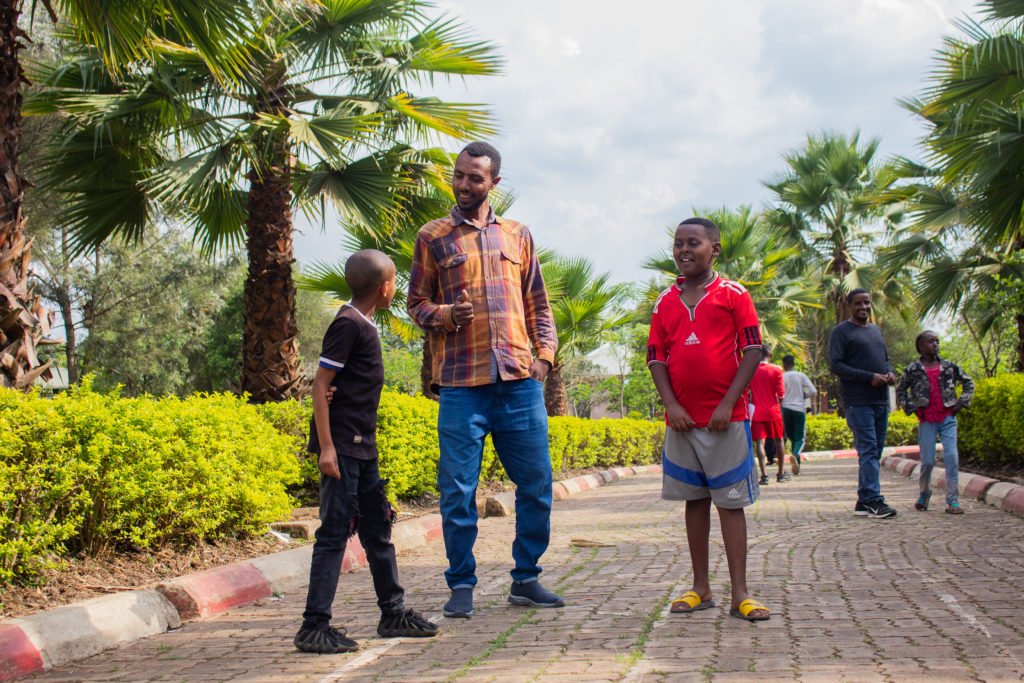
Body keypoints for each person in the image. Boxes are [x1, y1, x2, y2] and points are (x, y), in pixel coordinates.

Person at [407, 142, 562, 619]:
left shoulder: (517, 234)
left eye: (475, 178)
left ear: (494, 182)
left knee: (536, 485)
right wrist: (447, 315)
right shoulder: (433, 236)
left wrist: (544, 359)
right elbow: (415, 304)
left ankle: (526, 578)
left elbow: (538, 305)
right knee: (457, 491)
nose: (464, 184)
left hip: (518, 381)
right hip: (461, 385)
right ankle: (461, 584)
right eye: (459, 175)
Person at [294, 249, 438, 654]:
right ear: (385, 287)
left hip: (363, 448)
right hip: (342, 449)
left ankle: (393, 613)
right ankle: (313, 626)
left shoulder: (364, 325)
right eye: (394, 283)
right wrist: (326, 449)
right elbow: (320, 385)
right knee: (333, 535)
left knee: (378, 531)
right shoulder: (348, 324)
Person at [647, 216, 770, 622]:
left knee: (730, 505)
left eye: (693, 243)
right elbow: (656, 358)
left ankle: (741, 593)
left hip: (725, 420)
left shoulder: (734, 294)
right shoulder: (665, 301)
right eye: (678, 243)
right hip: (682, 423)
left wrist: (727, 404)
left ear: (714, 249)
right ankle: (701, 587)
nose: (684, 250)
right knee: (694, 502)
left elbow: (752, 350)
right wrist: (672, 406)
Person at [828, 289, 898, 520]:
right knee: (868, 449)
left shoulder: (876, 331)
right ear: (849, 306)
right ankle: (873, 500)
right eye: (858, 303)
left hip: (880, 400)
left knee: (875, 451)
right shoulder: (841, 332)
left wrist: (890, 374)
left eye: (867, 303)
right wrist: (869, 377)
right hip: (858, 402)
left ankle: (863, 501)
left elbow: (886, 360)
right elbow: (836, 366)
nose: (863, 307)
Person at [896, 331, 974, 515]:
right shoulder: (912, 369)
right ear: (920, 346)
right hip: (927, 420)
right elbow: (900, 390)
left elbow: (969, 383)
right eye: (930, 341)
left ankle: (952, 501)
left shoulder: (948, 366)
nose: (935, 344)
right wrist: (912, 408)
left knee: (951, 458)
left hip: (948, 418)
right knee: (928, 461)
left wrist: (961, 403)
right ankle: (924, 494)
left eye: (937, 341)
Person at [750, 346, 789, 484]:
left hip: (757, 412)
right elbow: (781, 394)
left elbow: (747, 391)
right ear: (770, 355)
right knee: (779, 440)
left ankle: (764, 475)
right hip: (773, 411)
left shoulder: (751, 370)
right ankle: (780, 473)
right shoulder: (777, 370)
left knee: (760, 443)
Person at [781, 354, 817, 474]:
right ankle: (796, 454)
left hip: (785, 409)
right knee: (799, 438)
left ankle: (797, 467)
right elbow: (813, 391)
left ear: (784, 365)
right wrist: (805, 395)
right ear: (793, 363)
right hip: (799, 409)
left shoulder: (782, 376)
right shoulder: (801, 376)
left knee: (792, 437)